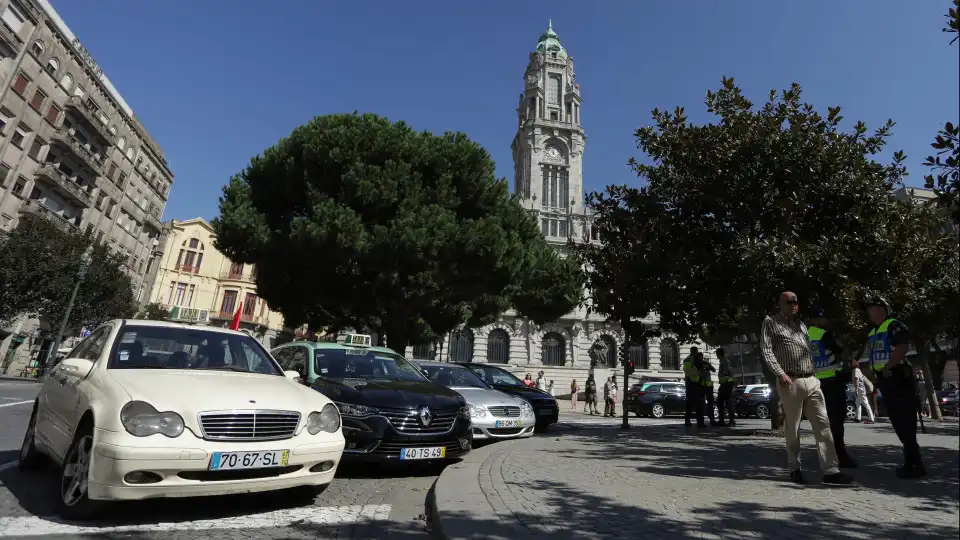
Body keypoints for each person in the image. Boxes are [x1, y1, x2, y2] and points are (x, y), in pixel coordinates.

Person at [760, 290, 853, 485]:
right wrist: (780, 373)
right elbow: (767, 351)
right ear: (780, 304)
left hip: (811, 379)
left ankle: (831, 470)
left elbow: (808, 352)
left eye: (795, 302)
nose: (793, 305)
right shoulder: (771, 323)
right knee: (793, 427)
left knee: (823, 424)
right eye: (788, 302)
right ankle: (795, 468)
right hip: (790, 380)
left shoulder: (801, 325)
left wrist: (815, 376)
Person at [865, 297, 925, 478]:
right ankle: (912, 462)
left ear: (881, 309)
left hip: (898, 377)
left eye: (871, 308)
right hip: (885, 379)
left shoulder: (893, 325)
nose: (868, 311)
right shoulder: (873, 332)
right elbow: (874, 356)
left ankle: (915, 464)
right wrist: (874, 373)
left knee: (905, 422)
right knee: (898, 423)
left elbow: (902, 347)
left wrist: (888, 367)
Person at [806, 307, 858, 469]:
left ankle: (826, 456)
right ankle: (840, 456)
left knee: (821, 422)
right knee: (836, 421)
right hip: (831, 383)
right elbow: (842, 353)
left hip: (812, 384)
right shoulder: (824, 335)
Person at [683, 347, 705, 427]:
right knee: (699, 404)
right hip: (697, 383)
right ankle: (700, 422)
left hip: (689, 383)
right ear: (695, 351)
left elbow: (686, 371)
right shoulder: (698, 360)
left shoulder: (686, 360)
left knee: (689, 404)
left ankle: (687, 421)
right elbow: (701, 372)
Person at [715, 348, 737, 426]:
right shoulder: (724, 361)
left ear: (719, 354)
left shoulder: (724, 362)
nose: (716, 355)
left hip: (726, 384)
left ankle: (729, 420)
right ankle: (727, 420)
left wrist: (729, 381)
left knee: (724, 402)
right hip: (725, 384)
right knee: (724, 402)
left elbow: (728, 373)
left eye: (717, 354)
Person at [700, 352, 718, 426]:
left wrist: (708, 367)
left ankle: (712, 419)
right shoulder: (697, 365)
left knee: (710, 403)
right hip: (701, 386)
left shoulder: (706, 363)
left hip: (708, 386)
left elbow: (714, 370)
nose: (701, 359)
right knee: (701, 403)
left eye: (701, 358)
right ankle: (702, 420)